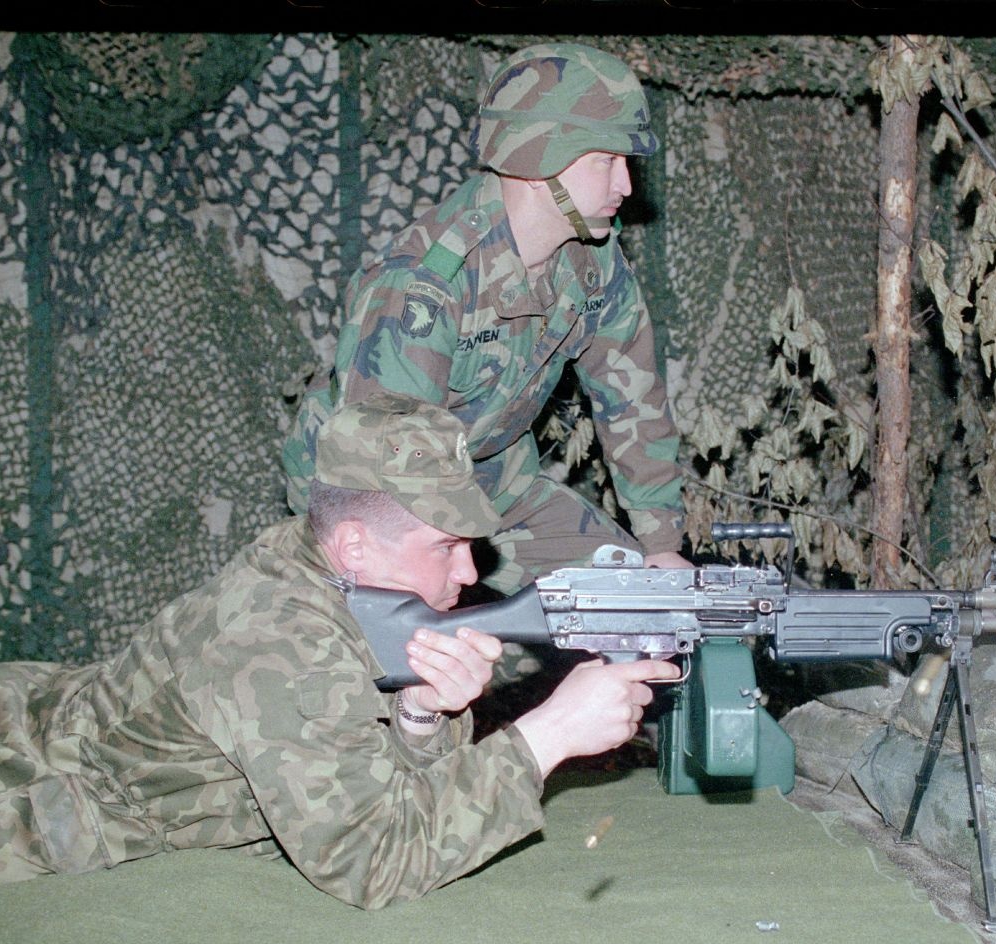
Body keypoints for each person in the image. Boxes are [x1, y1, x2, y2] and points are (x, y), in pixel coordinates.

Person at [0, 394, 678, 910]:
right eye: (447, 548)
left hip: (19, 708)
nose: (471, 571)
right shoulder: (279, 643)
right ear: (354, 545)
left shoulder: (318, 567)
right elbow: (371, 857)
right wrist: (550, 735)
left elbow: (364, 763)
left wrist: (414, 715)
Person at [282, 42, 690, 597]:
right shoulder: (425, 283)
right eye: (606, 161)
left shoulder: (595, 264)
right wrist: (440, 576)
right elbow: (379, 472)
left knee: (629, 598)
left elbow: (633, 403)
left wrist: (662, 545)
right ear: (537, 156)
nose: (626, 185)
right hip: (371, 500)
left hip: (493, 476)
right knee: (411, 645)